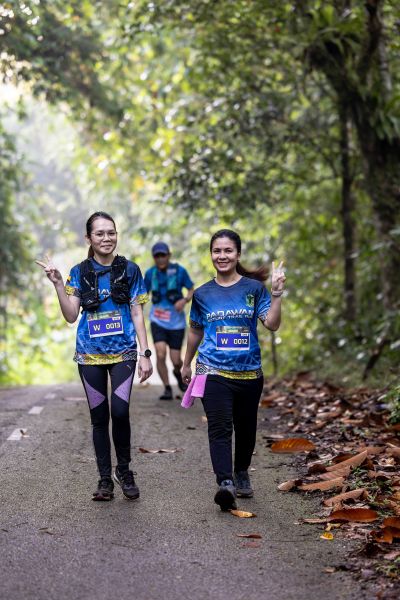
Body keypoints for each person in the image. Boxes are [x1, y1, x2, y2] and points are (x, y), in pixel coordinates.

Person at [36, 211, 153, 502]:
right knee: (99, 417)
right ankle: (104, 480)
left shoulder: (130, 270)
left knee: (120, 412)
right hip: (89, 356)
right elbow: (70, 315)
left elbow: (137, 312)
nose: (106, 238)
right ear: (88, 238)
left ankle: (124, 470)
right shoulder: (79, 272)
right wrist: (58, 284)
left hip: (124, 353)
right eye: (99, 233)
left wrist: (145, 353)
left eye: (111, 232)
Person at [181, 229, 286, 511]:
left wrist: (276, 294)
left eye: (228, 250)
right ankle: (225, 483)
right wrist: (186, 362)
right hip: (212, 370)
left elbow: (272, 324)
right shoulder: (202, 294)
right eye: (217, 251)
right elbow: (195, 330)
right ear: (211, 255)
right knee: (219, 427)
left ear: (238, 254)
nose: (222, 256)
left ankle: (241, 472)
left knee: (246, 427)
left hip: (249, 373)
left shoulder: (253, 289)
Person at [144, 242, 194, 400]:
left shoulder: (179, 271)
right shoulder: (150, 274)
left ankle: (177, 373)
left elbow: (191, 289)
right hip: (157, 320)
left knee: (176, 360)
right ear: (154, 257)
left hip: (176, 323)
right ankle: (167, 388)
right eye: (157, 256)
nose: (160, 258)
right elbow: (143, 295)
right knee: (160, 353)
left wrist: (184, 300)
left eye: (163, 255)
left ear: (169, 255)